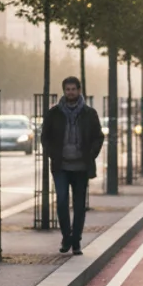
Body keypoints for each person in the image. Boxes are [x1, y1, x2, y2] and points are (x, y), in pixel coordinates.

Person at [41, 77, 105, 256]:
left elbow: (98, 137)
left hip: (81, 166)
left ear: (79, 90)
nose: (70, 92)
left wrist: (90, 154)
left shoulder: (89, 113)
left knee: (79, 205)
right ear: (64, 91)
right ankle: (66, 236)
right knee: (61, 200)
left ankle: (76, 240)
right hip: (61, 165)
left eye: (73, 89)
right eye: (67, 89)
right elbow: (45, 136)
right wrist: (53, 153)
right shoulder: (54, 113)